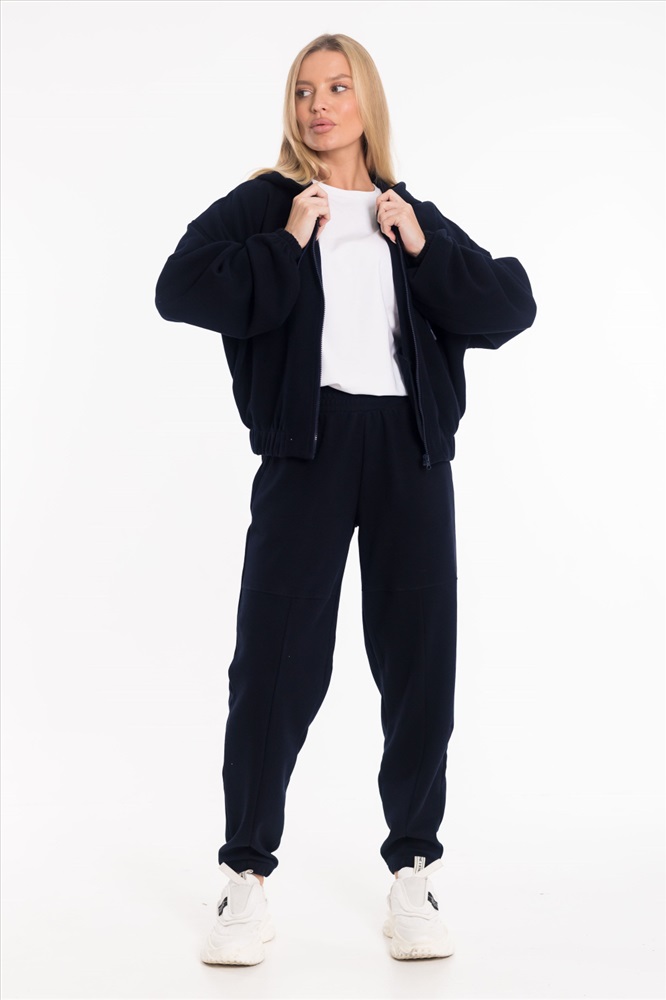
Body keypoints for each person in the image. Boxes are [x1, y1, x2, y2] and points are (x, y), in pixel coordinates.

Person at [155, 32, 537, 965]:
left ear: (366, 100)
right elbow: (178, 288)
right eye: (302, 91)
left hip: (410, 450)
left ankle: (413, 871)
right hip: (308, 447)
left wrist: (422, 247)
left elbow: (507, 307)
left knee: (418, 662)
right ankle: (244, 878)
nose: (318, 106)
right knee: (275, 660)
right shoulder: (266, 203)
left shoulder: (411, 214)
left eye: (335, 87)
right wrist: (287, 242)